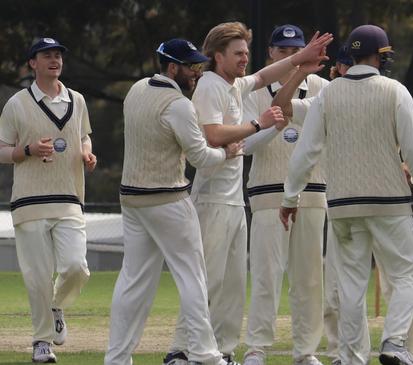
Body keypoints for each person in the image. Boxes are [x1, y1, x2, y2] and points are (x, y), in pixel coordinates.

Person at [167, 22, 332, 365]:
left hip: (234, 199)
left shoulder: (233, 85)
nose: (245, 59)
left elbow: (260, 78)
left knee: (231, 283)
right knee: (209, 280)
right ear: (218, 56)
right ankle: (181, 350)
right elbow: (215, 135)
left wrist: (300, 60)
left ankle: (223, 351)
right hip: (215, 197)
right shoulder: (210, 86)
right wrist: (261, 124)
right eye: (238, 53)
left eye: (246, 52)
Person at [280, 24, 413, 365]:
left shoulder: (328, 95)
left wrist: (290, 198)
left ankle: (353, 357)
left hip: (342, 206)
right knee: (409, 272)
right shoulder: (395, 91)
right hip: (389, 204)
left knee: (350, 285)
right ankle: (394, 342)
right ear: (381, 56)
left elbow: (305, 152)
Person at [104, 38, 237, 365]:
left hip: (132, 200)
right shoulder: (178, 105)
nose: (196, 73)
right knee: (193, 276)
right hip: (168, 200)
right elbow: (202, 157)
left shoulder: (135, 90)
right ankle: (206, 355)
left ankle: (117, 358)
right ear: (172, 67)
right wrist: (227, 152)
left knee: (132, 281)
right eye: (191, 67)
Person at [0, 37, 96, 363]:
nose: (54, 60)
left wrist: (86, 152)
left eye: (58, 55)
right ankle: (42, 342)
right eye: (47, 55)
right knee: (37, 277)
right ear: (32, 63)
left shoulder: (78, 100)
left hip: (69, 197)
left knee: (76, 268)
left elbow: (83, 135)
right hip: (28, 201)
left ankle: (57, 305)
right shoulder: (16, 104)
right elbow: (1, 150)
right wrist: (26, 151)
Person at [240, 24, 330, 365]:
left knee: (308, 279)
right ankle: (257, 348)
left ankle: (305, 351)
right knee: (266, 275)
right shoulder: (253, 91)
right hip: (266, 192)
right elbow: (245, 146)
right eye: (284, 51)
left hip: (312, 191)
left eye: (296, 50)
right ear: (271, 54)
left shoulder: (323, 87)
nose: (292, 57)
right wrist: (270, 126)